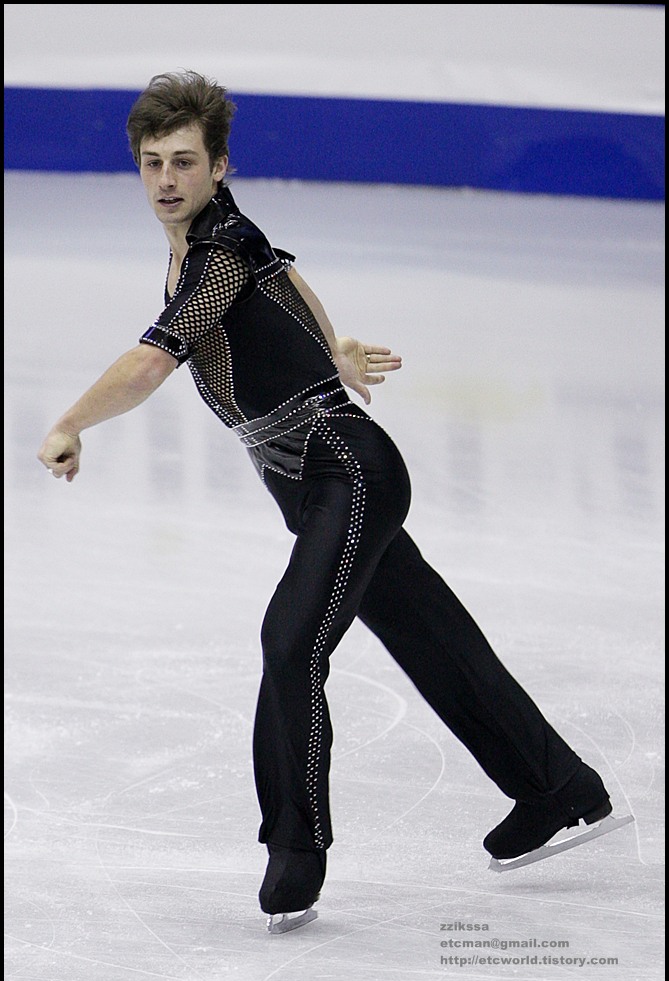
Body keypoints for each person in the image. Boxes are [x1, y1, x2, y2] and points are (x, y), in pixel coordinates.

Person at [38, 71, 624, 933]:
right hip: (311, 478)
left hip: (342, 470)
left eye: (185, 163)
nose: (167, 180)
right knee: (434, 639)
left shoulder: (215, 251)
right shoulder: (219, 240)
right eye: (153, 163)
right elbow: (289, 280)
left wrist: (70, 422)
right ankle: (558, 789)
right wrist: (331, 346)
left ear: (219, 166)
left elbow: (153, 362)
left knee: (289, 642)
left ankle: (296, 852)